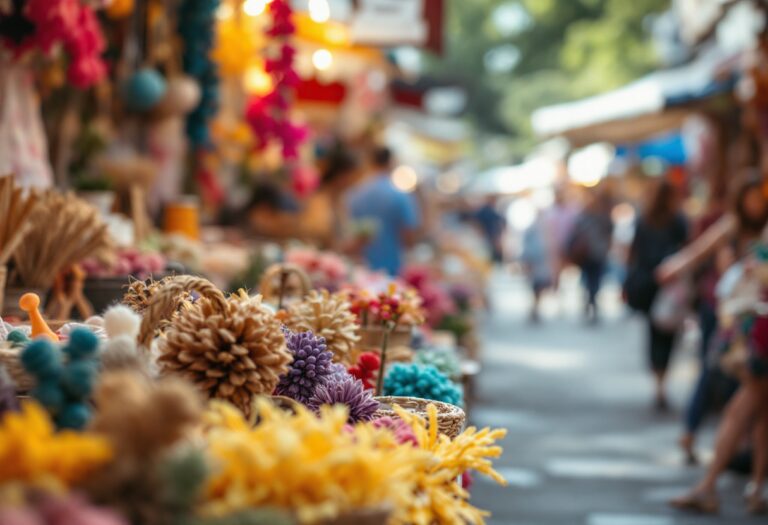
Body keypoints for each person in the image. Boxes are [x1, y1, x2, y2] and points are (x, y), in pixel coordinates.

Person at [666, 173, 768, 514]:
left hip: (757, 325)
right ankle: (739, 488)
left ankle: (728, 487)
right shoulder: (735, 227)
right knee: (750, 406)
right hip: (748, 325)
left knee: (750, 410)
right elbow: (701, 249)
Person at [625, 179, 688, 411]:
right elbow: (685, 247)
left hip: (648, 283)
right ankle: (661, 381)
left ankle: (658, 380)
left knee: (654, 333)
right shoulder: (676, 220)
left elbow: (634, 251)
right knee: (668, 335)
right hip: (667, 283)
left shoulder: (645, 219)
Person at [346, 146, 421, 276]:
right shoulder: (400, 196)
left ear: (370, 162)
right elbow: (409, 234)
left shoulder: (354, 193)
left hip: (360, 266)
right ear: (390, 162)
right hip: (391, 267)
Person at [566, 185, 614, 324]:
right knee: (589, 280)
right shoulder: (585, 216)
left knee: (594, 280)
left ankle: (591, 301)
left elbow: (609, 233)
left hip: (598, 253)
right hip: (587, 253)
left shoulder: (601, 216)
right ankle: (590, 302)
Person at [521, 212, 553, 323]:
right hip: (535, 261)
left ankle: (535, 307)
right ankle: (534, 307)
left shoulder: (545, 229)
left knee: (539, 285)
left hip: (541, 262)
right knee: (536, 286)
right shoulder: (532, 229)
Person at [469, 196, 507, 264]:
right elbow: (475, 222)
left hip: (492, 239)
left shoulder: (496, 211)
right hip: (486, 239)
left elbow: (501, 225)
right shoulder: (484, 211)